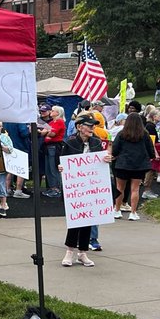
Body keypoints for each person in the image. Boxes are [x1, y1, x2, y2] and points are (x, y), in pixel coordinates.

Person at [60, 114, 112, 266]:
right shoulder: (69, 143)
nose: (92, 128)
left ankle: (83, 252)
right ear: (79, 127)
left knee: (89, 219)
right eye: (89, 125)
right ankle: (70, 251)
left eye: (93, 125)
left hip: (92, 187)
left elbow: (101, 161)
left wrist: (106, 159)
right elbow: (62, 161)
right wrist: (61, 167)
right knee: (75, 218)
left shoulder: (96, 142)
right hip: (75, 188)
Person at [110, 112, 154, 220]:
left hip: (122, 164)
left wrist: (115, 155)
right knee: (135, 189)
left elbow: (115, 150)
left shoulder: (122, 133)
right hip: (139, 165)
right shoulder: (144, 134)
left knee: (120, 188)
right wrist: (150, 156)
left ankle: (117, 210)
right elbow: (150, 150)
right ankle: (133, 212)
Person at [40, 105, 66, 196]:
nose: (51, 111)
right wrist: (46, 132)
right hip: (48, 146)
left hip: (54, 146)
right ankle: (51, 187)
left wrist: (46, 132)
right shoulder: (51, 122)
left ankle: (56, 189)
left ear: (58, 113)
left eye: (53, 110)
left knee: (53, 168)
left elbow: (52, 134)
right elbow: (44, 133)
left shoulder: (59, 122)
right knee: (48, 168)